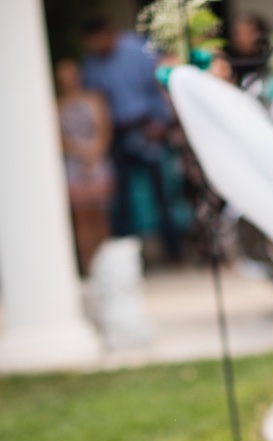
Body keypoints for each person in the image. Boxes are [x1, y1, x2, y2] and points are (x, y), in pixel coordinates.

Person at [81, 16, 183, 262]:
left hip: (147, 126)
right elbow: (95, 100)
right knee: (122, 198)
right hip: (117, 132)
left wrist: (160, 122)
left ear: (108, 33)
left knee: (162, 192)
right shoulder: (92, 64)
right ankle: (129, 258)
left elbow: (157, 85)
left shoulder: (138, 50)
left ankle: (174, 251)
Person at [55, 58, 114, 276]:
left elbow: (105, 129)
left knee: (100, 216)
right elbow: (57, 137)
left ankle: (106, 264)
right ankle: (88, 265)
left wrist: (93, 152)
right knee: (81, 218)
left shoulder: (94, 100)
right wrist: (80, 152)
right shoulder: (57, 105)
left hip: (96, 161)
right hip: (73, 163)